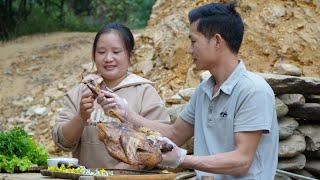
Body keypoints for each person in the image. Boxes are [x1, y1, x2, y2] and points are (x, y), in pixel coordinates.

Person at [98, 3, 279, 179]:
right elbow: (175, 134)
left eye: (194, 41)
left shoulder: (253, 91)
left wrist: (182, 159)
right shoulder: (204, 91)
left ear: (217, 41)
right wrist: (126, 113)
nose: (189, 50)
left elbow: (241, 161)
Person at [52, 23, 170, 169]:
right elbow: (63, 143)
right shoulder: (81, 91)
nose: (108, 58)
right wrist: (81, 117)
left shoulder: (144, 91)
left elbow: (162, 143)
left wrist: (117, 173)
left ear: (130, 56)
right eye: (101, 52)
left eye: (116, 52)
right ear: (94, 56)